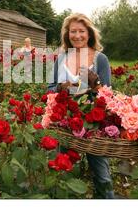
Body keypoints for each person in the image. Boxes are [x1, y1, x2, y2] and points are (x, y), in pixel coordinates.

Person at [47, 12, 114, 199]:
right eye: (72, 31)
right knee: (63, 172)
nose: (77, 35)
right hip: (66, 124)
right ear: (67, 34)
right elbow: (49, 89)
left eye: (81, 31)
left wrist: (96, 85)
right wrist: (59, 88)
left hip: (94, 125)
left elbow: (108, 97)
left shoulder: (100, 59)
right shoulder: (61, 58)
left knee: (102, 176)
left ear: (90, 33)